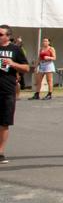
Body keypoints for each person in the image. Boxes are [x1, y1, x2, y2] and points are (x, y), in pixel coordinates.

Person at [0, 24, 31, 164]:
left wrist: (13, 64)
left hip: (7, 90)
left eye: (0, 34)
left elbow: (26, 68)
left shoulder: (15, 49)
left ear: (8, 36)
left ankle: (0, 152)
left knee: (4, 122)